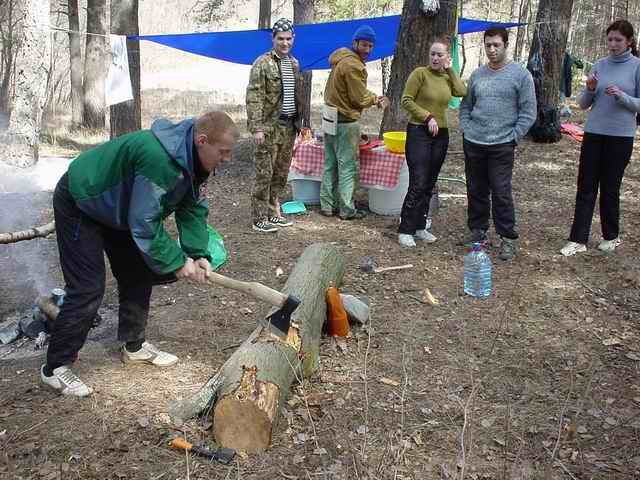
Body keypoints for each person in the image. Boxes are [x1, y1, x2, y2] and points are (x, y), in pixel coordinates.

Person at [40, 111, 240, 397]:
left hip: (120, 207)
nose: (227, 159)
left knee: (136, 274)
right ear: (202, 140)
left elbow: (192, 208)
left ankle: (134, 346)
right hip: (83, 198)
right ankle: (55, 368)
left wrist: (197, 254)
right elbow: (144, 222)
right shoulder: (159, 159)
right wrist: (176, 261)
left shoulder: (196, 162)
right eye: (223, 152)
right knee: (87, 287)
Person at [561, 20, 640, 256]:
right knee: (585, 186)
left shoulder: (636, 66)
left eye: (618, 40)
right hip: (594, 132)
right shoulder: (600, 65)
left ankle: (611, 236)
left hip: (621, 136)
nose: (613, 44)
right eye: (610, 39)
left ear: (629, 42)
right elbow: (583, 104)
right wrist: (590, 88)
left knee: (609, 187)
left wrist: (622, 97)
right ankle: (578, 239)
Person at [459, 27, 536, 261]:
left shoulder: (521, 76)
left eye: (496, 45)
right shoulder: (478, 75)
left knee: (501, 191)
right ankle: (478, 231)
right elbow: (465, 106)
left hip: (502, 144)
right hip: (474, 141)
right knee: (476, 188)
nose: (492, 50)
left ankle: (507, 238)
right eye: (488, 45)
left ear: (505, 45)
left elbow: (528, 112)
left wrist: (514, 136)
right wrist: (467, 127)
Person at [398, 36, 467, 248]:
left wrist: (451, 70)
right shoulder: (420, 74)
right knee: (418, 182)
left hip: (441, 134)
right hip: (419, 131)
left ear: (447, 57)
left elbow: (462, 92)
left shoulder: (447, 77)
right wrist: (427, 117)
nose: (435, 58)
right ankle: (405, 229)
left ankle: (420, 226)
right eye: (432, 54)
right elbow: (406, 100)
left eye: (440, 54)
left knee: (429, 183)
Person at [320, 25, 389, 220]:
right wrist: (376, 99)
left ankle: (327, 205)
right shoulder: (354, 65)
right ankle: (347, 210)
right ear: (355, 43)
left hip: (329, 117)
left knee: (329, 164)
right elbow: (358, 98)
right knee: (347, 166)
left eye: (370, 46)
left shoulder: (340, 58)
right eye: (364, 45)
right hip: (345, 121)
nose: (367, 49)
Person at [246, 18, 302, 233]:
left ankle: (273, 211)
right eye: (280, 39)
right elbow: (254, 96)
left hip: (289, 127)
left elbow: (297, 96)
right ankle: (259, 217)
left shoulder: (294, 63)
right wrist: (257, 127)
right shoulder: (262, 63)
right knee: (264, 173)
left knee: (280, 173)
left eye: (288, 39)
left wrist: (301, 122)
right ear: (273, 39)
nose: (285, 43)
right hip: (269, 127)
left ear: (293, 39)